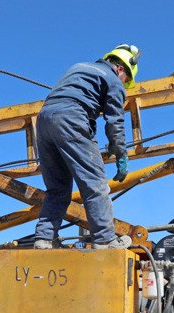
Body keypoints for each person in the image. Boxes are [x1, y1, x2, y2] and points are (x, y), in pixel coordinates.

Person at [33, 44, 141, 249]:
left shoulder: (79, 67)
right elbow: (115, 121)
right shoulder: (113, 80)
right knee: (95, 183)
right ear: (121, 69)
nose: (124, 83)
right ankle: (105, 239)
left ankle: (44, 239)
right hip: (72, 119)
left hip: (44, 121)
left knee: (57, 189)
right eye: (126, 80)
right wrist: (120, 153)